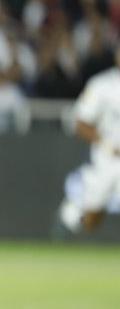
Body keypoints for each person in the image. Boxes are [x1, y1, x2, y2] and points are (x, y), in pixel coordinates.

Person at [55, 44, 120, 235]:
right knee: (91, 218)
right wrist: (107, 143)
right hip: (108, 158)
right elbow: (80, 123)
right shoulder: (103, 84)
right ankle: (70, 216)